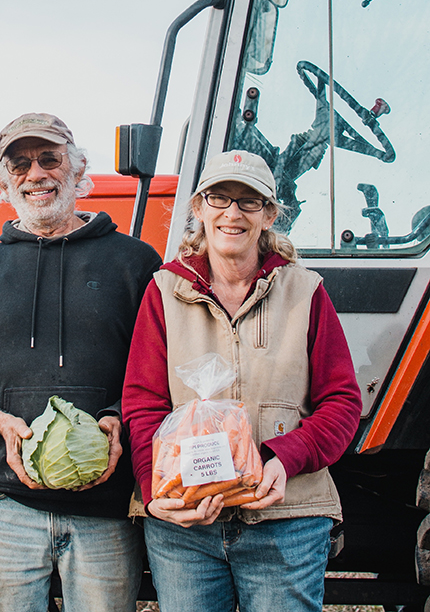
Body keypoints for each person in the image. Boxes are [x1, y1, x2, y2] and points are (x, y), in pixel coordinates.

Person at [0, 112, 162, 612]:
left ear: (77, 170)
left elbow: (158, 373)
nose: (36, 175)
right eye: (19, 165)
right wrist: (1, 423)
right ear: (2, 182)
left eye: (50, 159)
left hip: (106, 512)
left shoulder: (136, 263)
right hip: (3, 507)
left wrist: (119, 419)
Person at [122, 149, 362, 612]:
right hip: (185, 526)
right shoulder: (164, 292)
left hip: (286, 519)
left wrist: (281, 460)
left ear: (269, 213)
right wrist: (155, 495)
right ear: (198, 208)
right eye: (219, 197)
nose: (232, 213)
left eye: (248, 201)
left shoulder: (305, 290)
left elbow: (342, 402)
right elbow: (142, 404)